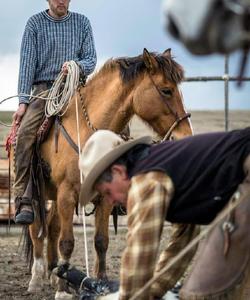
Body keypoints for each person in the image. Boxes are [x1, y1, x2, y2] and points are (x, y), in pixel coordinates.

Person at [78, 129, 250, 300]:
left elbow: (139, 259)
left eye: (107, 192)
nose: (110, 202)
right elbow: (184, 239)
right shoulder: (161, 165)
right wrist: (154, 291)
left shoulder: (146, 182)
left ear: (118, 172)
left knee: (205, 293)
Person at [13, 0, 97, 225]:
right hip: (44, 91)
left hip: (75, 88)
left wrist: (75, 65)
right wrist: (23, 102)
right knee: (25, 135)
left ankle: (114, 190)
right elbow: (27, 66)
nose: (62, 1)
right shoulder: (35, 24)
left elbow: (91, 59)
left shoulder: (82, 23)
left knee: (111, 123)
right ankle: (23, 198)